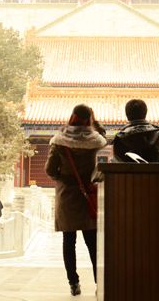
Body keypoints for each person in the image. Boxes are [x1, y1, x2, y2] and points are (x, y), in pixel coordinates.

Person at [44, 104, 107, 296]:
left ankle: (74, 283)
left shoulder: (60, 141)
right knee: (92, 243)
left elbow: (49, 170)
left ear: (72, 117)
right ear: (90, 119)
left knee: (68, 241)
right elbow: (103, 146)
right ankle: (100, 283)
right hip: (89, 195)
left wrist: (63, 178)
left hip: (67, 196)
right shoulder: (96, 140)